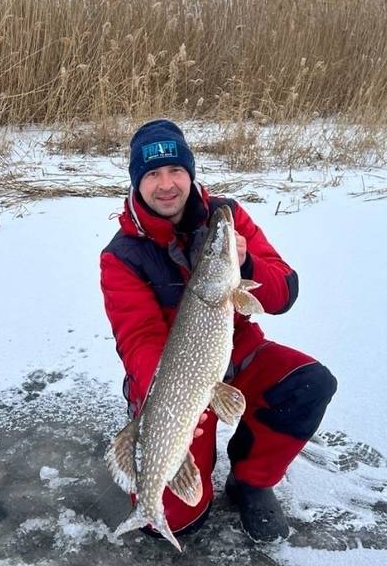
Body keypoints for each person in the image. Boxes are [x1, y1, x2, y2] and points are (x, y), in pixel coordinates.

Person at [99, 119, 338, 542]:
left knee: (310, 383)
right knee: (174, 518)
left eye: (176, 170)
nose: (167, 184)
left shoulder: (224, 217)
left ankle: (251, 480)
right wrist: (172, 403)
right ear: (138, 183)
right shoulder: (122, 255)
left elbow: (283, 292)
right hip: (170, 377)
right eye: (152, 174)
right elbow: (138, 338)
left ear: (189, 172)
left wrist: (245, 265)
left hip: (239, 354)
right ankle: (174, 473)